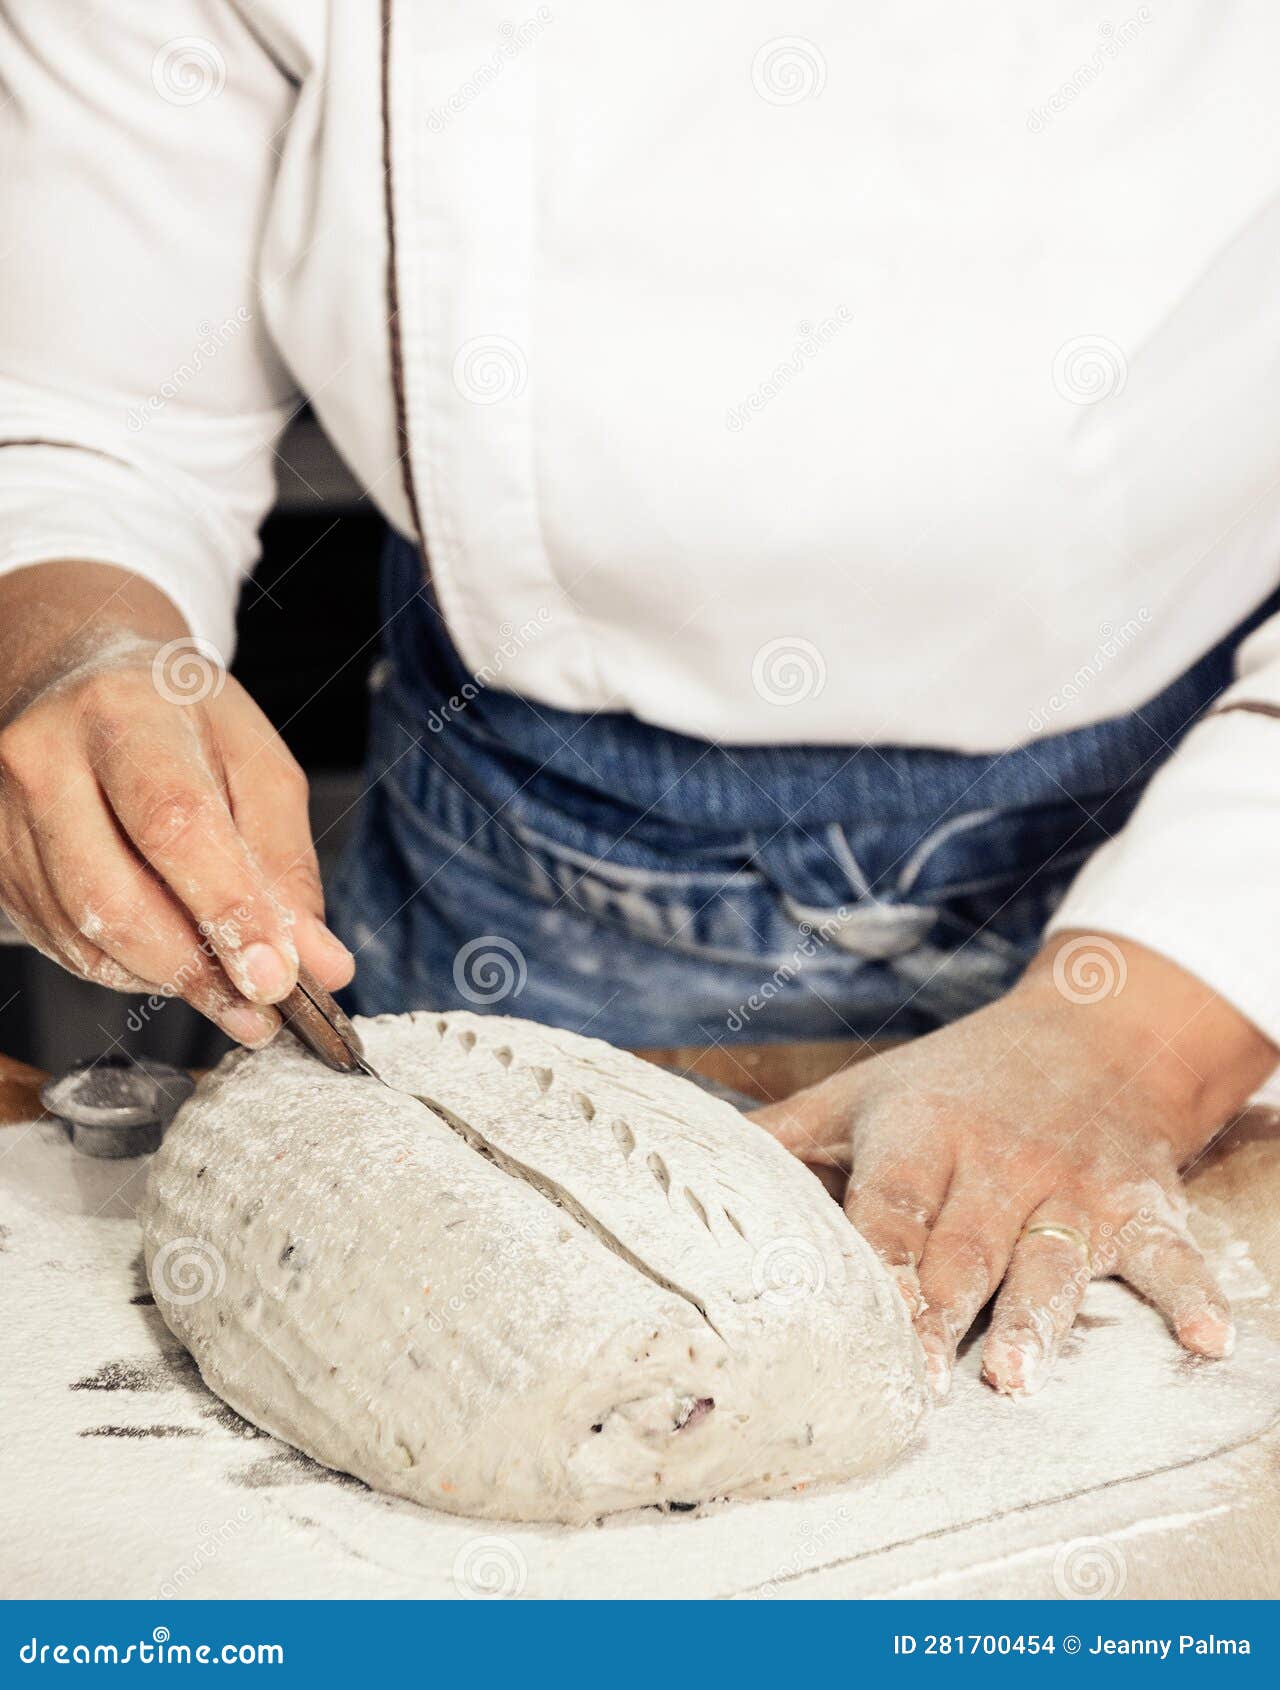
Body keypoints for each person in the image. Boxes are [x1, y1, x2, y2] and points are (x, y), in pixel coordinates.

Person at [1, 3, 1276, 1402]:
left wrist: (1151, 1024)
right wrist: (72, 653)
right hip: (515, 873)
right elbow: (96, 416)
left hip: (1193, 842)